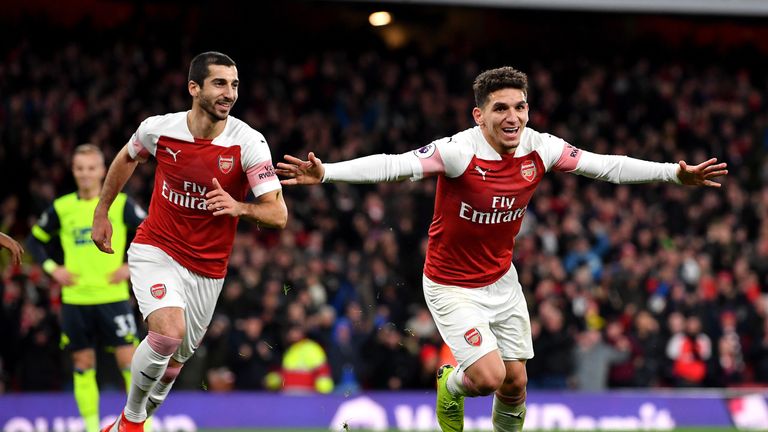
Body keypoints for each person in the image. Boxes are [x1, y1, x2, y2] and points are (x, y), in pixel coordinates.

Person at [276, 66, 727, 432]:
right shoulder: (458, 152)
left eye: (519, 107)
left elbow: (606, 167)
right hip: (451, 285)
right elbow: (395, 166)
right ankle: (450, 385)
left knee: (516, 385)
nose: (512, 117)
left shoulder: (541, 148)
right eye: (500, 109)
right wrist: (327, 173)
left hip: (502, 280)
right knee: (489, 378)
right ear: (479, 115)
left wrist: (674, 173)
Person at [91, 51, 287, 432]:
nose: (229, 93)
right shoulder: (159, 129)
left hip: (208, 270)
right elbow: (128, 157)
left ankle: (125, 424)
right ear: (193, 88)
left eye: (234, 85)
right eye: (219, 84)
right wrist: (102, 211)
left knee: (174, 364)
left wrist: (239, 207)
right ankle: (130, 423)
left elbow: (277, 214)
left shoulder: (248, 143)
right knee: (166, 333)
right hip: (157, 246)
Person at [26, 144, 146, 432]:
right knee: (82, 363)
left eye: (92, 168)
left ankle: (142, 426)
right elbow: (34, 241)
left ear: (103, 171)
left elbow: (151, 232)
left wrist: (131, 266)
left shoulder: (120, 203)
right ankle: (92, 428)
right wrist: (54, 270)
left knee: (131, 363)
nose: (86, 174)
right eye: (80, 168)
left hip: (112, 297)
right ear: (73, 171)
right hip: (75, 299)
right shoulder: (62, 207)